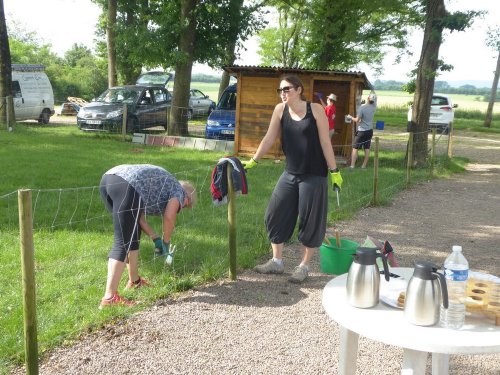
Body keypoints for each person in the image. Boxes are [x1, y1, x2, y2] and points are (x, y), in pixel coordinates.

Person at [242, 75, 343, 283]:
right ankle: (277, 262)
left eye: (286, 89)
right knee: (274, 212)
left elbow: (325, 142)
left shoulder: (315, 110)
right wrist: (254, 160)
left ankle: (304, 266)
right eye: (280, 90)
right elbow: (269, 137)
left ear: (298, 89)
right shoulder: (280, 110)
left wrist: (334, 170)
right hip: (291, 172)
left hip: (314, 174)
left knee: (311, 220)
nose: (283, 93)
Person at [98, 164, 196, 308]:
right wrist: (166, 243)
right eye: (185, 206)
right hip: (127, 184)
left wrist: (155, 238)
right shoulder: (179, 192)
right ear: (187, 198)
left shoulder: (162, 186)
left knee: (132, 235)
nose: (182, 207)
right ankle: (110, 298)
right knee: (123, 243)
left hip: (109, 179)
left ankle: (134, 281)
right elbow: (169, 217)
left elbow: (137, 218)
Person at [347, 92, 377, 170]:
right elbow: (375, 99)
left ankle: (352, 166)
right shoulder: (374, 106)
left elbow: (357, 120)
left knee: (355, 148)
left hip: (362, 131)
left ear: (368, 98)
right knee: (367, 148)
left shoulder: (362, 108)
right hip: (370, 131)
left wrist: (350, 117)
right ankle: (363, 166)